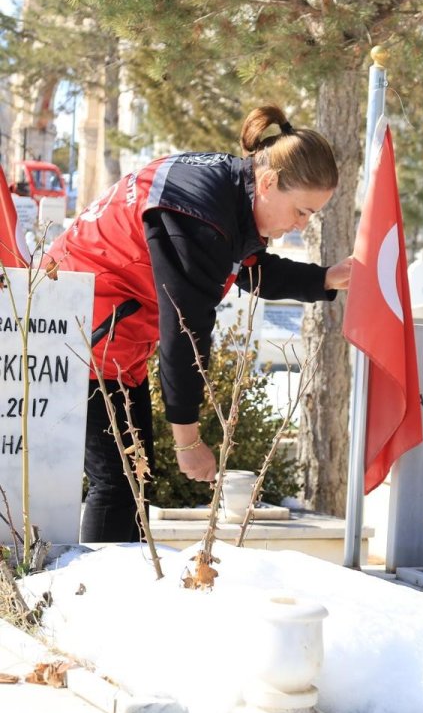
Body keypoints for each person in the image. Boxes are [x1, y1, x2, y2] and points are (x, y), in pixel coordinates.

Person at [47, 105, 353, 543]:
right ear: (269, 183)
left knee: (133, 480)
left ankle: (124, 579)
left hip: (112, 335)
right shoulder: (199, 216)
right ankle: (101, 586)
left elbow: (246, 267)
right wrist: (188, 441)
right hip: (79, 333)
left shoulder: (230, 190)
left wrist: (324, 278)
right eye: (302, 212)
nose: (301, 226)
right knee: (118, 484)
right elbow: (185, 332)